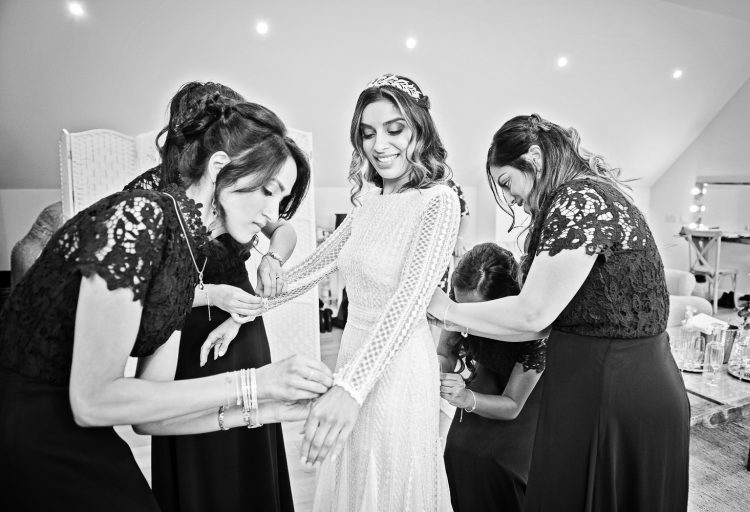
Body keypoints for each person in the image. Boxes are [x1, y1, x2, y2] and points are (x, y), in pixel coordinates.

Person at [0, 93, 334, 511]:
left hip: (72, 427)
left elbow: (150, 418)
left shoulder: (186, 254)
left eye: (280, 198)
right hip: (25, 430)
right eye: (268, 190)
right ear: (218, 169)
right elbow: (93, 401)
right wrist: (254, 382)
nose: (273, 210)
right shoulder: (141, 218)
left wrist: (263, 409)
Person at [203, 73, 460, 511]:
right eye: (368, 133)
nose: (379, 145)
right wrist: (240, 314)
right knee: (353, 471)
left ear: (419, 129)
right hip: (353, 352)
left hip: (398, 366)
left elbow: (409, 303)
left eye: (394, 129)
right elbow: (311, 270)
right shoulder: (368, 205)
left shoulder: (438, 201)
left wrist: (351, 390)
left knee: (391, 476)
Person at [428, 114, 689, 512]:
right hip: (603, 385)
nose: (510, 197)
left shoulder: (579, 201)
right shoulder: (587, 197)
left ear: (534, 157)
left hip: (616, 391)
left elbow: (533, 316)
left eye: (507, 182)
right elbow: (537, 325)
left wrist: (446, 310)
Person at [124, 82, 299, 512]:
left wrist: (271, 261)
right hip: (181, 327)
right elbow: (147, 295)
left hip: (239, 321)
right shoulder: (156, 201)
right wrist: (210, 295)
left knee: (251, 434)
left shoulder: (243, 190)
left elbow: (283, 230)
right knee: (193, 440)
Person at [438, 243, 545, 512]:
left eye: (475, 313)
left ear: (503, 304)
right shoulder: (461, 301)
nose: (466, 319)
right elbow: (445, 352)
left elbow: (511, 406)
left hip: (529, 391)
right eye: (461, 307)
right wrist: (436, 373)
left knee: (503, 466)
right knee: (457, 452)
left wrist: (466, 397)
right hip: (487, 375)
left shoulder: (535, 323)